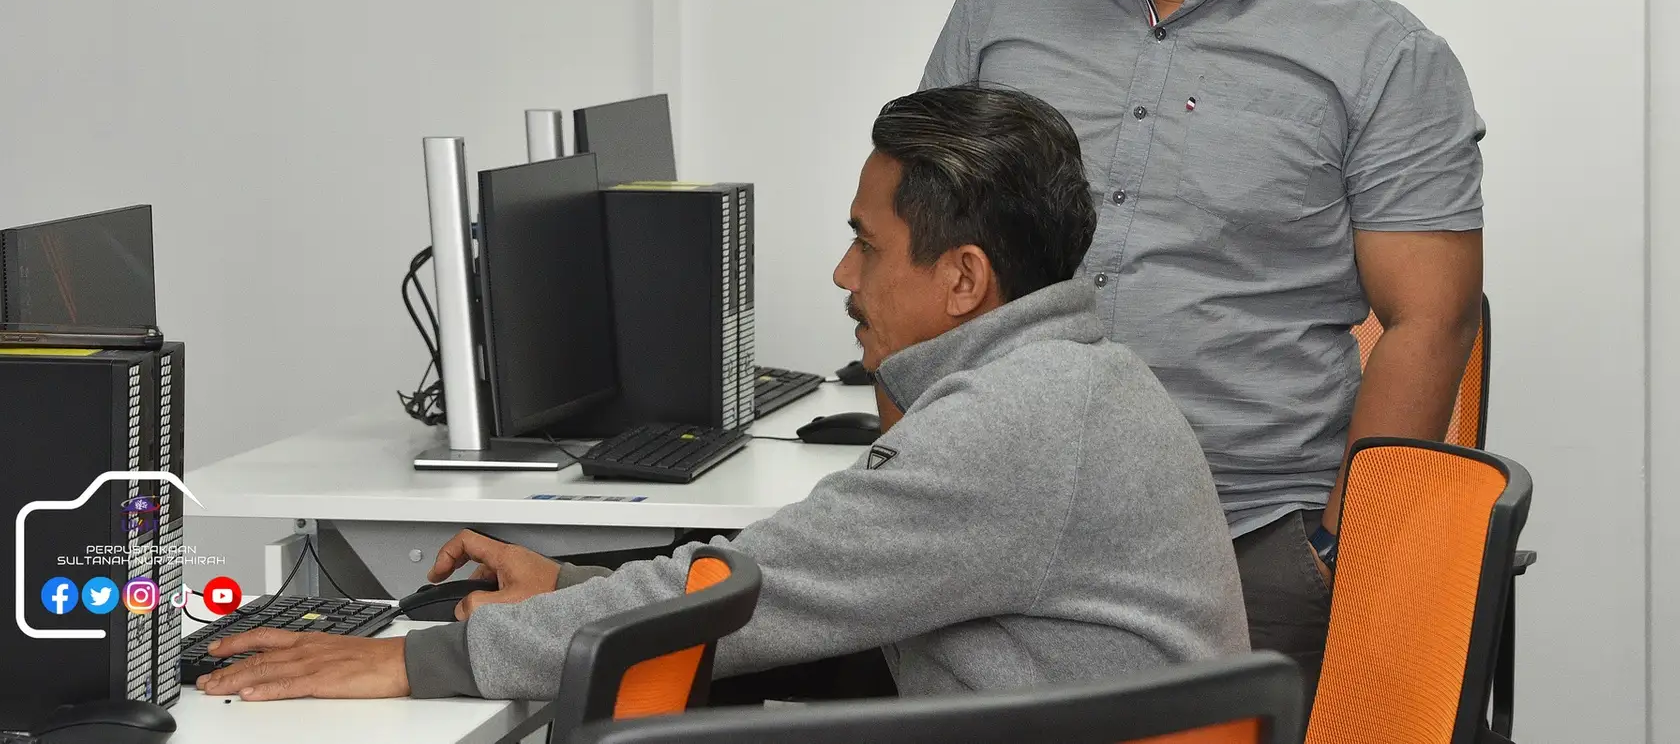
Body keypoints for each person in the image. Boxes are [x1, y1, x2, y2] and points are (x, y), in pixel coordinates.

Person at [195, 85, 1248, 701]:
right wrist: (567, 587)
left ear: (965, 278)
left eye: (867, 245)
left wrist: (421, 664)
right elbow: (784, 584)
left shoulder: (1019, 421)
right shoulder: (1067, 383)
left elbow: (761, 593)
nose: (842, 275)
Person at [920, 0, 1484, 689]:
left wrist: (1343, 551)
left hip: (1248, 544)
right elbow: (914, 248)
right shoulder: (1004, 6)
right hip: (992, 527)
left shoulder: (1380, 57)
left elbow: (1430, 321)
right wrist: (912, 464)